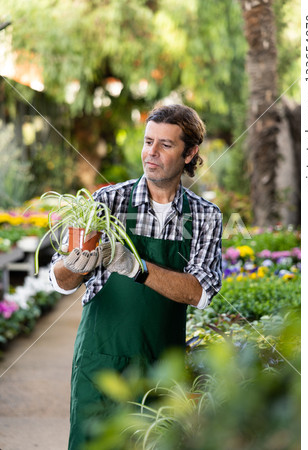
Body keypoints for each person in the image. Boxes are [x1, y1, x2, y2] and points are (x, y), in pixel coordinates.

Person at [49, 104, 223, 449]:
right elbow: (60, 280)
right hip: (101, 363)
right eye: (148, 142)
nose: (151, 153)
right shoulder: (106, 202)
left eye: (166, 145)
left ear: (190, 153)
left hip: (163, 371)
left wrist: (135, 267)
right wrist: (76, 264)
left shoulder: (205, 216)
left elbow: (200, 292)